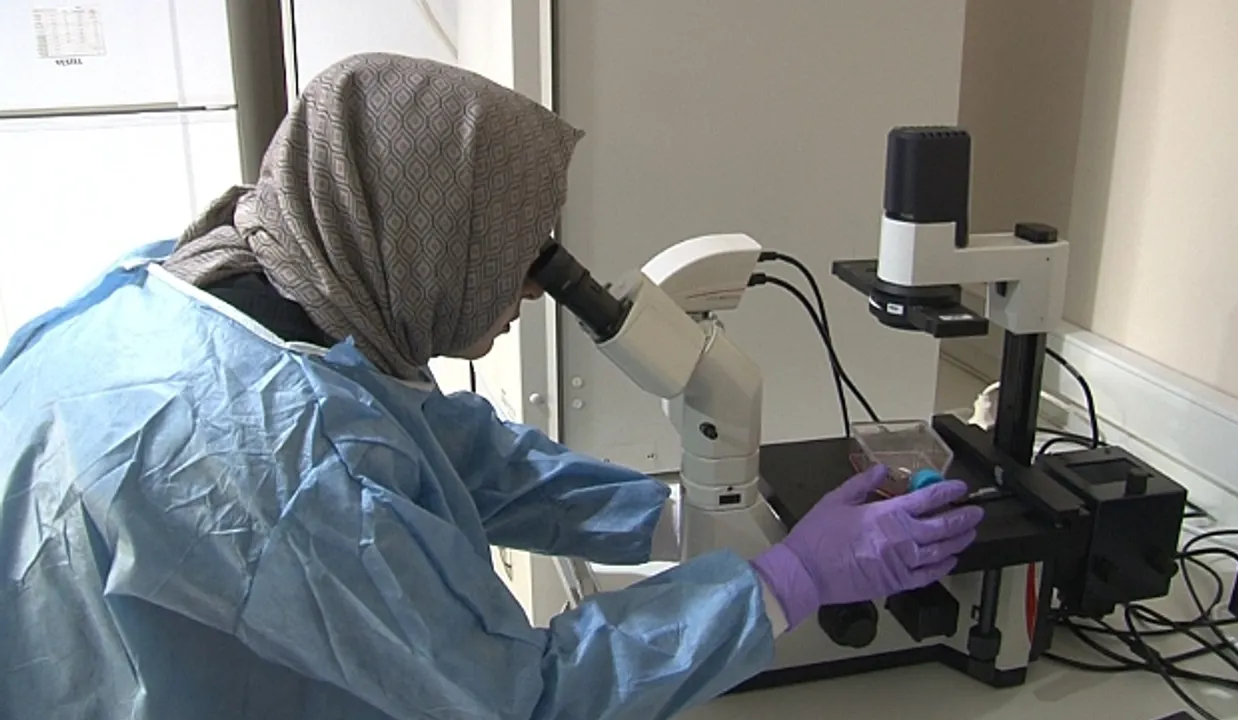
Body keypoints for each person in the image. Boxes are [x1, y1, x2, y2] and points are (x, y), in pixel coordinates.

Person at [0, 53, 982, 719]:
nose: (534, 286)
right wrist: (786, 581)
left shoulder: (221, 288)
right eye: (512, 248)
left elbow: (447, 451)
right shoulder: (303, 471)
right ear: (426, 239)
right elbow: (517, 700)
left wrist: (679, 521)